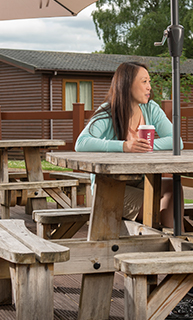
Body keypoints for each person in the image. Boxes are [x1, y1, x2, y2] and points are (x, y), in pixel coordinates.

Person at [75, 61, 183, 229]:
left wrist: (144, 146)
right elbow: (81, 143)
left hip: (140, 181)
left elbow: (177, 141)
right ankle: (171, 240)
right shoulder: (108, 111)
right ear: (126, 85)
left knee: (172, 186)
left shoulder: (150, 108)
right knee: (159, 210)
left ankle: (175, 238)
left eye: (149, 81)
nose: (149, 87)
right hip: (110, 186)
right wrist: (124, 146)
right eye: (144, 81)